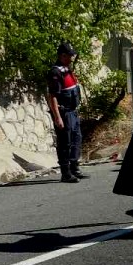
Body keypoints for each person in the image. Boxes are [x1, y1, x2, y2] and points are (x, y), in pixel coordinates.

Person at [46, 41, 87, 183]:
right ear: (63, 56)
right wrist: (58, 117)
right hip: (64, 113)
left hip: (73, 112)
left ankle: (75, 168)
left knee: (76, 139)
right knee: (65, 142)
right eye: (70, 55)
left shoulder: (66, 69)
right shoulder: (55, 72)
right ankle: (66, 173)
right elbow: (53, 97)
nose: (72, 58)